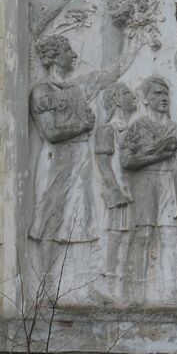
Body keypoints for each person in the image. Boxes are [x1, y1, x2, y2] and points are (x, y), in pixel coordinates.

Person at [29, 33, 140, 284]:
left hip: (80, 160)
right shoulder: (42, 91)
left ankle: (82, 286)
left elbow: (110, 74)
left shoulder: (78, 88)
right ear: (56, 56)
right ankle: (45, 287)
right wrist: (82, 125)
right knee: (50, 221)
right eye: (68, 51)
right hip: (56, 162)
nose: (74, 55)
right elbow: (50, 132)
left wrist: (134, 41)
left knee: (81, 219)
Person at [120, 76, 177, 303]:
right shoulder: (138, 127)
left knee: (169, 236)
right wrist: (155, 155)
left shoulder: (175, 129)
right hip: (145, 183)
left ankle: (169, 289)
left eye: (165, 94)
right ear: (146, 99)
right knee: (144, 235)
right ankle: (138, 291)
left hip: (168, 183)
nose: (163, 98)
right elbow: (126, 160)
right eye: (157, 94)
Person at [95, 82, 138, 296]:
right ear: (116, 100)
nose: (134, 97)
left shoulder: (132, 129)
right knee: (115, 235)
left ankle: (121, 283)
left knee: (128, 235)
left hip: (133, 191)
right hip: (118, 191)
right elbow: (103, 163)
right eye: (128, 93)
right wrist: (115, 190)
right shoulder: (107, 129)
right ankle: (107, 281)